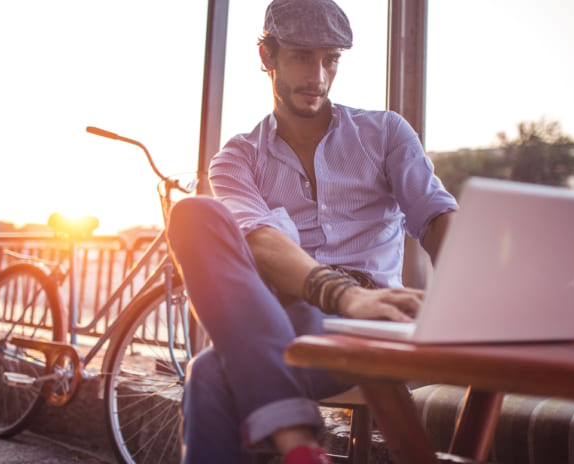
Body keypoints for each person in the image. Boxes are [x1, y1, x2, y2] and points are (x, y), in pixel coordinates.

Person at [167, 0, 458, 462]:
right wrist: (342, 294)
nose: (318, 75)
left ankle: (294, 443)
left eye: (331, 59)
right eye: (302, 56)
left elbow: (438, 217)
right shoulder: (237, 158)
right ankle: (296, 443)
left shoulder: (385, 133)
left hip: (369, 321)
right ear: (267, 56)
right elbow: (260, 241)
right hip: (283, 317)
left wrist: (475, 300)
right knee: (193, 214)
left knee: (208, 374)